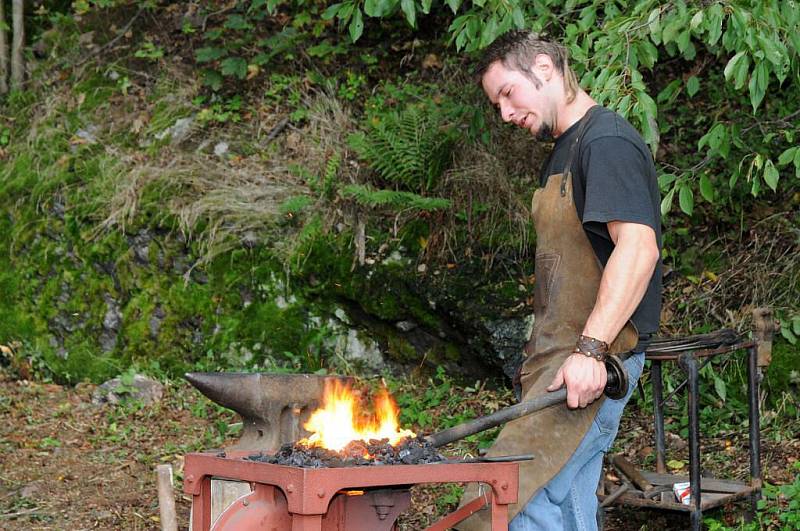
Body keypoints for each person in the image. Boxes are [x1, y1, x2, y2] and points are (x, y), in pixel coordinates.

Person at [456, 31, 662, 531]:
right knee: (567, 509)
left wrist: (591, 350)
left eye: (507, 93)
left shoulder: (605, 141)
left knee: (506, 505)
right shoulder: (564, 150)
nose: (505, 114)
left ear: (544, 68)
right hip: (556, 365)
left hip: (588, 367)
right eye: (496, 104)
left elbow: (639, 248)